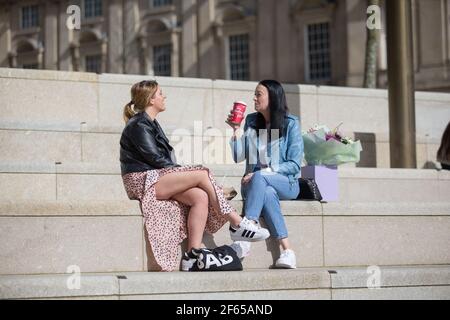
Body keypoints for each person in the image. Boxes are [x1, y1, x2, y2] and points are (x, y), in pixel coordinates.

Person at [120, 80, 269, 272]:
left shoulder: (151, 123)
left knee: (201, 196)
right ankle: (236, 223)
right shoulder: (138, 124)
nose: (164, 97)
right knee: (201, 172)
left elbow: (163, 161)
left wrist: (186, 176)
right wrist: (186, 174)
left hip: (157, 176)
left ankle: (192, 256)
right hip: (142, 180)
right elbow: (156, 159)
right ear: (150, 99)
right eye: (160, 93)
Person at [227, 79, 303, 269]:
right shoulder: (252, 121)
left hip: (287, 184)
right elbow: (238, 156)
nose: (254, 97)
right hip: (255, 185)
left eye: (259, 94)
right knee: (267, 192)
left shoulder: (291, 124)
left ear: (273, 97)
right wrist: (236, 130)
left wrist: (265, 173)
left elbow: (294, 165)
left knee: (261, 177)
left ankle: (246, 232)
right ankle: (287, 251)